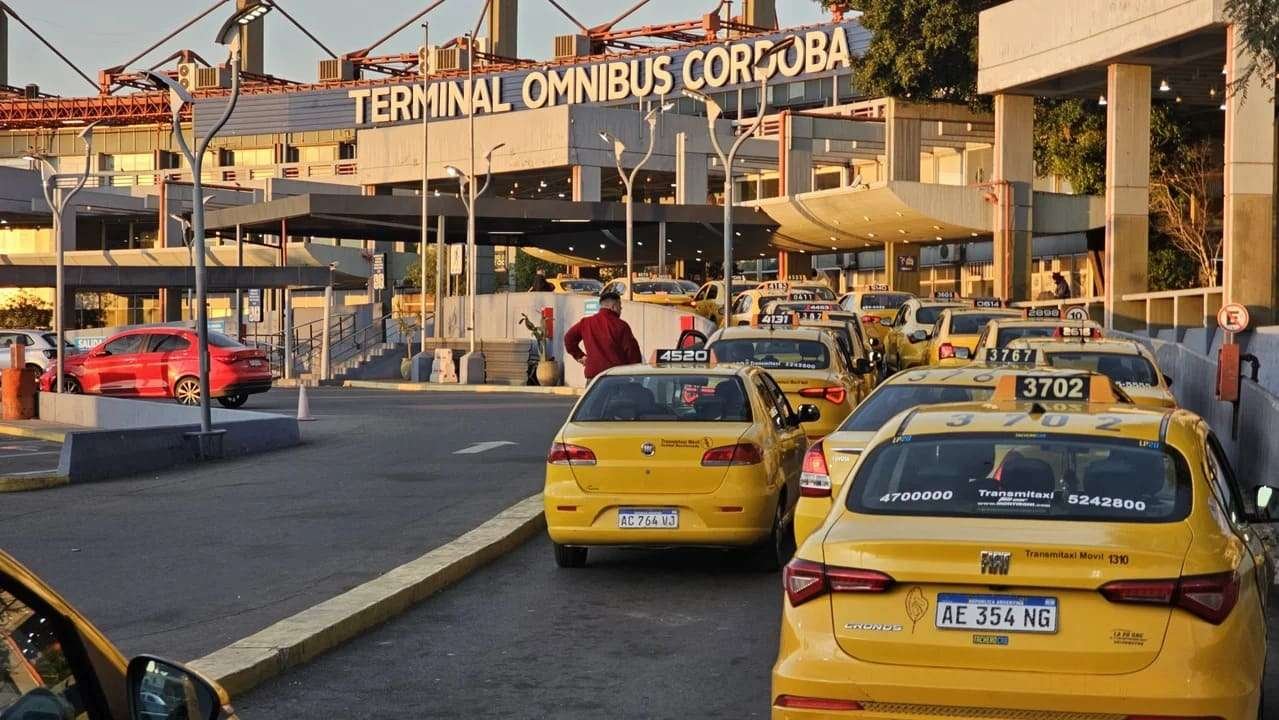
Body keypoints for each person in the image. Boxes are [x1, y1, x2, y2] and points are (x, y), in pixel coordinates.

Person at [564, 291, 642, 380]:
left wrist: (580, 356)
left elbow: (568, 339)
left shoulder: (586, 322)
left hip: (594, 379)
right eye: (619, 305)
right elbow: (633, 353)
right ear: (614, 306)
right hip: (617, 378)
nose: (621, 308)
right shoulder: (621, 325)